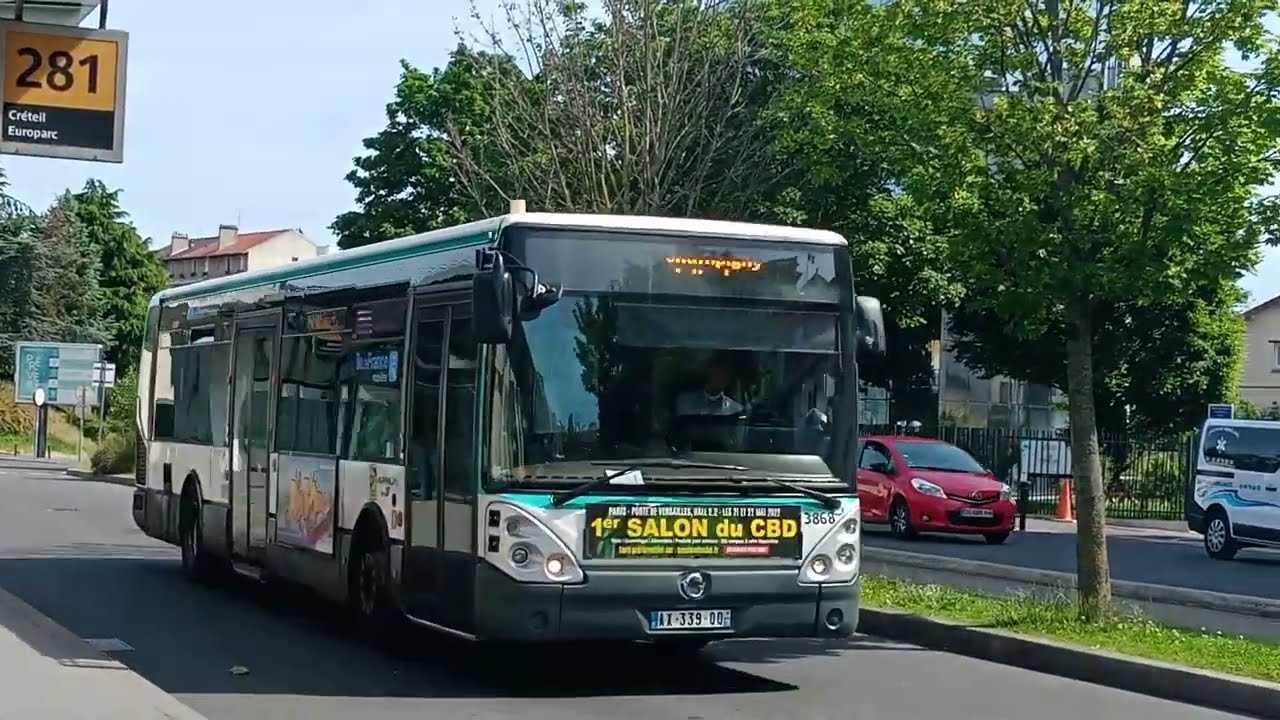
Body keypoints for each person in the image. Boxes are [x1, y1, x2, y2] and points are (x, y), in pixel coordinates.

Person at [676, 355, 745, 418]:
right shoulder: (685, 401)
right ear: (709, 373)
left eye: (724, 375)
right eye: (717, 373)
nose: (720, 378)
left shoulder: (735, 409)